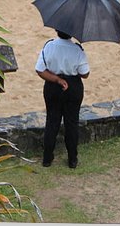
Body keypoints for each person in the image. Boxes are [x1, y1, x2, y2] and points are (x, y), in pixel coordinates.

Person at [35, 30, 90, 169]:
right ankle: (72, 159)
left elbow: (40, 70)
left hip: (53, 87)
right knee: (72, 123)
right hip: (73, 88)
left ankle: (47, 158)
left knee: (52, 121)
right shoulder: (77, 50)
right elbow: (85, 74)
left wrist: (57, 80)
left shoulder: (49, 46)